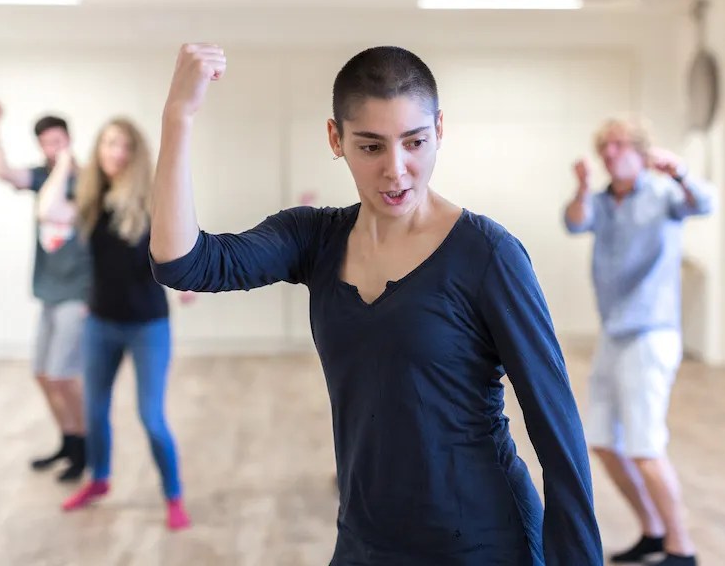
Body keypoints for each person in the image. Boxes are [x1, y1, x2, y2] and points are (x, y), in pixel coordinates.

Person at [148, 43, 603, 565]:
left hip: (482, 538)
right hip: (365, 539)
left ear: (440, 130)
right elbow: (184, 263)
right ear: (335, 139)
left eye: (415, 142)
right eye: (371, 147)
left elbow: (557, 425)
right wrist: (177, 118)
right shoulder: (315, 239)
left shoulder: (488, 254)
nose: (397, 169)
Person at [563, 117, 714, 566]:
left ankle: (681, 549)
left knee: (645, 446)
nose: (610, 153)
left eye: (619, 145)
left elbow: (704, 204)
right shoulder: (602, 201)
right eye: (604, 146)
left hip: (651, 335)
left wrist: (681, 173)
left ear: (640, 151)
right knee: (604, 441)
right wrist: (580, 188)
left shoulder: (663, 192)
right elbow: (574, 223)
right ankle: (653, 530)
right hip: (613, 333)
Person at [39, 118, 192, 530]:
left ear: (135, 152)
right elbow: (47, 210)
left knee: (151, 417)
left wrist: (188, 282)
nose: (116, 153)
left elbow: (183, 238)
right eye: (108, 144)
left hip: (147, 325)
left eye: (124, 146)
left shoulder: (150, 198)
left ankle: (174, 496)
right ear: (99, 149)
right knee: (96, 410)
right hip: (100, 321)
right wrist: (64, 161)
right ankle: (100, 480)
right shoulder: (89, 196)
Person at [0, 101, 91, 481]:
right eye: (46, 144)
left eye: (58, 141)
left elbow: (50, 211)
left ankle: (84, 445)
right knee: (43, 375)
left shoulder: (87, 180)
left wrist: (65, 165)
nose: (53, 149)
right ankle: (68, 439)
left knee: (63, 375)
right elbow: (2, 171)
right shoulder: (40, 176)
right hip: (48, 290)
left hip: (79, 292)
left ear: (69, 139)